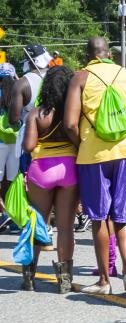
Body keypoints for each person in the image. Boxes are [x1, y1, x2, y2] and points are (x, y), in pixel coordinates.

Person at [64, 37, 126, 295]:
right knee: (123, 214)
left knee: (99, 217)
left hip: (93, 155)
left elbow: (69, 123)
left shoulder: (80, 77)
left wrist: (83, 144)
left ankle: (104, 280)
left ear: (87, 56)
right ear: (110, 54)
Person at [21, 66, 78, 293]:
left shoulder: (37, 114)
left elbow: (28, 146)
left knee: (37, 224)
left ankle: (29, 275)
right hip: (69, 171)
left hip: (41, 172)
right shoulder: (72, 114)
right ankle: (64, 281)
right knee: (65, 228)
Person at [8, 44, 52, 235]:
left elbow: (13, 118)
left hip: (31, 142)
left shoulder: (23, 83)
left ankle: (38, 227)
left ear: (29, 61)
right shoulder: (57, 78)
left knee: (32, 187)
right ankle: (48, 225)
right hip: (59, 141)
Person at [0, 74, 18, 231]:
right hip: (14, 140)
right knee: (12, 180)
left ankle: (3, 213)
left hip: (0, 141)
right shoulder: (18, 91)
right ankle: (12, 216)